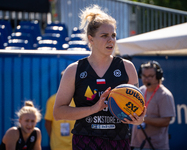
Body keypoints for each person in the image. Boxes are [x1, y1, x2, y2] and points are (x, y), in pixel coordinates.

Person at [53, 4, 146, 150]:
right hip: (85, 141)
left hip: (118, 141)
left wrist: (138, 119)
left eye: (113, 35)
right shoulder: (74, 70)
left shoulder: (127, 67)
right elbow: (58, 113)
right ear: (91, 39)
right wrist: (93, 109)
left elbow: (136, 107)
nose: (111, 40)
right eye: (104, 36)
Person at [130, 61, 176, 150]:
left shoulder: (164, 95)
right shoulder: (139, 91)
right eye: (144, 76)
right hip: (137, 144)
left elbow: (165, 121)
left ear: (158, 76)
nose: (146, 79)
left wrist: (143, 119)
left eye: (150, 76)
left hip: (155, 145)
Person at [44, 71, 75, 150]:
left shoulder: (79, 100)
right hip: (57, 147)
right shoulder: (52, 100)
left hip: (75, 146)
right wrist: (54, 139)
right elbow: (48, 123)